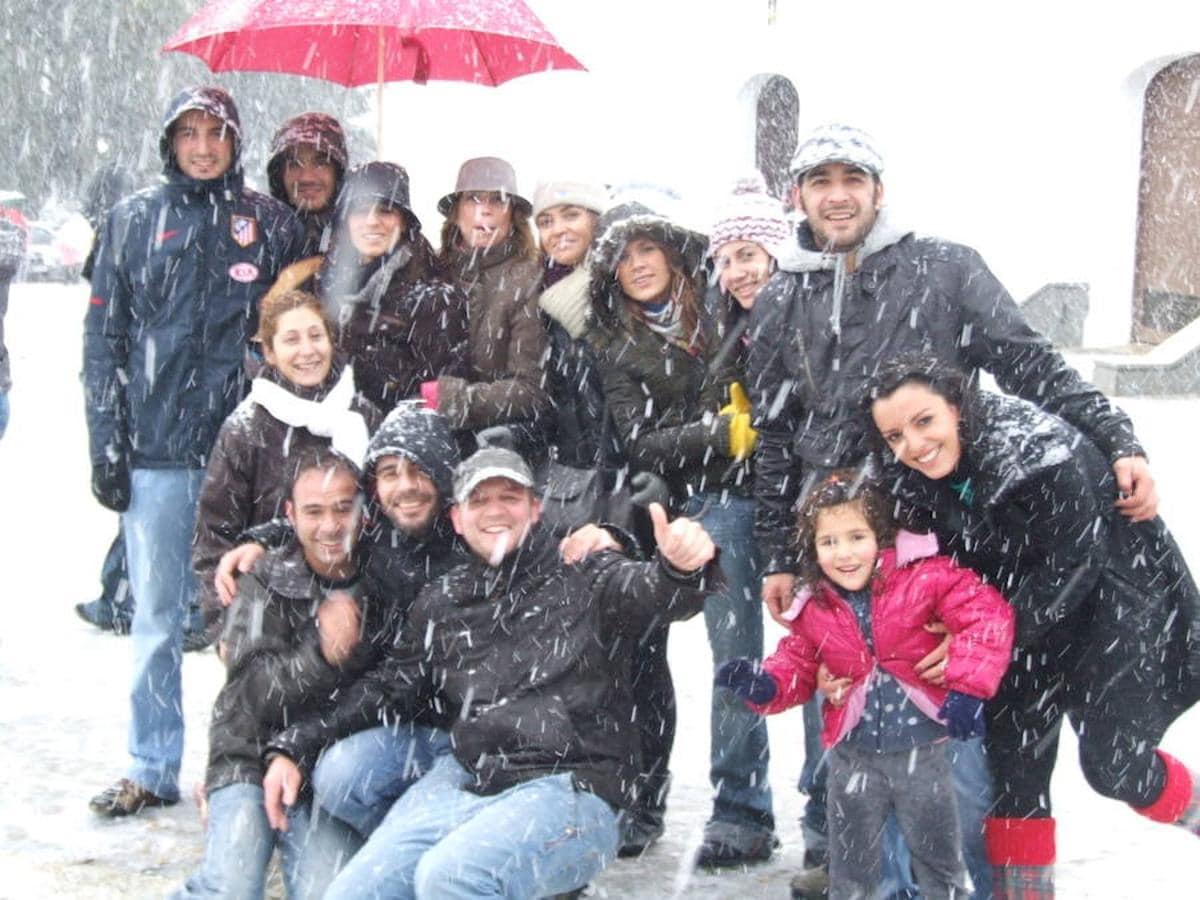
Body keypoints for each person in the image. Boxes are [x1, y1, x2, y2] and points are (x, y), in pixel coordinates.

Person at [746, 122, 1160, 897]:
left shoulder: (943, 269)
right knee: (842, 684)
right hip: (835, 540)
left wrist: (1116, 436)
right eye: (820, 181)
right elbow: (774, 435)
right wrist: (776, 550)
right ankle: (849, 851)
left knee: (945, 712)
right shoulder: (781, 293)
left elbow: (1030, 362)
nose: (837, 196)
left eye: (853, 179)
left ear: (878, 189)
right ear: (796, 195)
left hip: (932, 535)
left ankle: (952, 868)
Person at [310, 446, 718, 899]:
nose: (495, 511)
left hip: (574, 787)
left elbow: (654, 594)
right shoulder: (442, 602)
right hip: (473, 777)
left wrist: (679, 569)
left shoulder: (584, 571)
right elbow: (391, 689)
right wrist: (293, 744)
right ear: (457, 518)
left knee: (451, 878)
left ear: (536, 508)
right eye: (479, 501)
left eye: (510, 496)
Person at [865, 356, 1200, 897]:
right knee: (1015, 775)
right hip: (1013, 624)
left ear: (956, 404)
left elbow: (1075, 565)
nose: (913, 445)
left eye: (924, 421)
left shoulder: (1040, 456)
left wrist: (986, 638)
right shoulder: (905, 475)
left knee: (1114, 766)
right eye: (895, 435)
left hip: (1111, 609)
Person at [83, 85, 305, 817]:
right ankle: (152, 765)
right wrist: (106, 442)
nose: (204, 146)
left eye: (217, 132)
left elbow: (307, 324)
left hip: (251, 453)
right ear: (170, 142)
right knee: (155, 618)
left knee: (261, 619)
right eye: (190, 133)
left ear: (236, 143)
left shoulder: (270, 224)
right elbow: (103, 341)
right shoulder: (132, 221)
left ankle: (251, 763)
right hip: (158, 453)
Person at [717, 471, 1014, 900]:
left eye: (856, 537)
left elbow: (986, 617)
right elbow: (797, 661)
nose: (844, 554)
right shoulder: (815, 605)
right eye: (829, 542)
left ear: (882, 536)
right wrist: (765, 684)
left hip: (927, 751)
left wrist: (967, 689)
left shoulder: (926, 577)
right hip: (853, 759)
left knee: (939, 862)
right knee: (854, 866)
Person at [588, 197, 778, 865]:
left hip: (788, 487)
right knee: (736, 658)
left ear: (671, 252)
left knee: (825, 648)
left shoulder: (722, 300)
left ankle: (829, 812)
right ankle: (742, 808)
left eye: (647, 250)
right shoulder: (616, 344)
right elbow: (641, 442)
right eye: (623, 257)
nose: (638, 265)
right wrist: (717, 434)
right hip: (714, 498)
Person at [174, 449, 367, 899]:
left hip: (322, 762)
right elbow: (252, 693)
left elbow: (376, 695)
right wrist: (322, 656)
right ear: (291, 515)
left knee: (328, 891)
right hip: (246, 754)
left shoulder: (379, 576)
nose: (330, 525)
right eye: (314, 511)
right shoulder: (265, 576)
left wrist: (298, 751)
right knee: (231, 887)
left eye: (343, 508)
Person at [192, 288, 380, 629]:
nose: (307, 351)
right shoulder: (246, 429)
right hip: (274, 605)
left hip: (356, 602)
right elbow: (213, 538)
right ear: (270, 352)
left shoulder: (363, 415)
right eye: (291, 340)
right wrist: (224, 625)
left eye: (315, 336)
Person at [300, 161, 471, 414]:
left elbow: (434, 403)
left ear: (403, 222)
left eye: (386, 210)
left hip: (395, 446)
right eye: (360, 210)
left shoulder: (438, 301)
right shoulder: (318, 285)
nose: (372, 221)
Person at [433, 157, 548, 451]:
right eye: (473, 199)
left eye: (498, 201)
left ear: (513, 216)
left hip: (498, 440)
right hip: (430, 436)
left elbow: (529, 390)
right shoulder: (434, 269)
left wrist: (453, 400)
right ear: (456, 213)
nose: (485, 209)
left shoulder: (529, 279)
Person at [75, 164, 140, 635]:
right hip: (141, 383)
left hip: (145, 380)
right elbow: (102, 318)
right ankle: (117, 594)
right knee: (139, 509)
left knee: (139, 512)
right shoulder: (128, 230)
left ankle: (118, 594)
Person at [266, 112, 348, 255]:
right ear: (279, 176)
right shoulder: (262, 236)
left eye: (321, 163)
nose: (307, 177)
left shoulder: (365, 237)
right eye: (294, 164)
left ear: (338, 173)